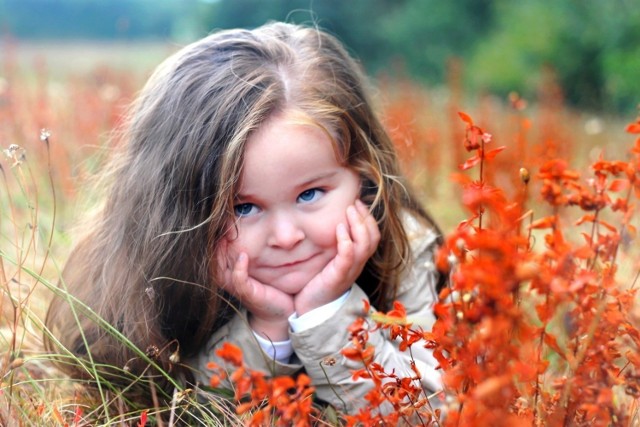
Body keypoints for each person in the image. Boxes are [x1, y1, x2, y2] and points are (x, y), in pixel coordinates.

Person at [45, 21, 444, 414]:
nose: (286, 237)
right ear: (177, 215)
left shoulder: (406, 250)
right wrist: (269, 327)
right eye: (243, 208)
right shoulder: (159, 272)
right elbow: (178, 409)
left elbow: (428, 413)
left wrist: (327, 314)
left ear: (364, 175)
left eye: (310, 194)